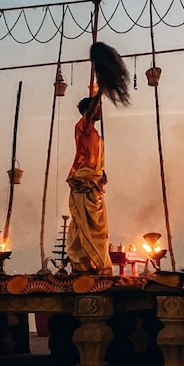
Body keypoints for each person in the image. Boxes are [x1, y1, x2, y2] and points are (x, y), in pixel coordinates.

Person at [66, 93, 111, 275]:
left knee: (96, 227)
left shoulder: (96, 134)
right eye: (97, 108)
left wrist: (102, 172)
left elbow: (97, 157)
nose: (100, 111)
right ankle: (81, 264)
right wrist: (100, 90)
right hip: (83, 181)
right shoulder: (83, 127)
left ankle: (90, 263)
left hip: (95, 183)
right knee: (82, 224)